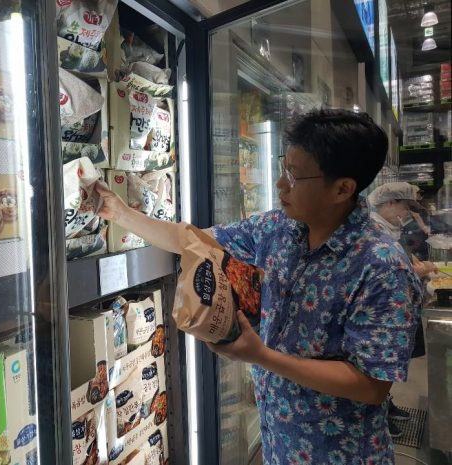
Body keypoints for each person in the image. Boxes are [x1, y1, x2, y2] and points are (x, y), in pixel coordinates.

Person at [95, 109, 422, 464]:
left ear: (343, 188)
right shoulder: (280, 229)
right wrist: (121, 213)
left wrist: (262, 357)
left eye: (295, 177)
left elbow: (371, 385)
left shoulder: (383, 268)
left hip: (340, 455)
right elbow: (193, 240)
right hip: (279, 445)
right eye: (284, 169)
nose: (281, 185)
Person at [367, 182, 436, 436]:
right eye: (405, 207)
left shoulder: (391, 229)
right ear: (388, 203)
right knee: (378, 365)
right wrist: (416, 270)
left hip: (394, 310)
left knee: (388, 365)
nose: (406, 214)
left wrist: (415, 265)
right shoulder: (374, 231)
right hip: (380, 313)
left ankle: (386, 403)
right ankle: (379, 414)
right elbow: (386, 270)